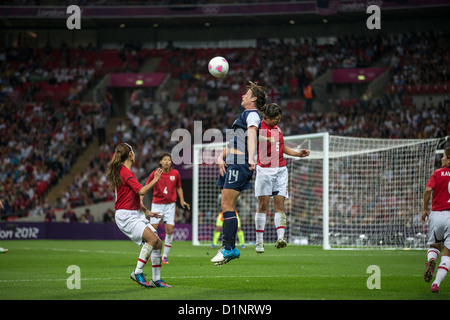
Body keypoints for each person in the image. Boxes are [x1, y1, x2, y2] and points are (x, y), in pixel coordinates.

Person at [211, 81, 267, 266]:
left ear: (254, 99)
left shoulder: (252, 115)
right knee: (226, 205)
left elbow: (252, 134)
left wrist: (251, 157)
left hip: (240, 163)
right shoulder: (244, 115)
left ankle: (229, 248)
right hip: (232, 161)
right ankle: (228, 247)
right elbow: (235, 141)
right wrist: (221, 157)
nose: (243, 96)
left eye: (246, 94)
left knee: (227, 204)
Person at [107, 142, 171, 288]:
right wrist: (155, 179)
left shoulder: (124, 171)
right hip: (126, 216)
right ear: (130, 155)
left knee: (158, 243)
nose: (134, 154)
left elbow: (129, 196)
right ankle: (137, 272)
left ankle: (156, 279)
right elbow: (141, 191)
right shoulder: (126, 172)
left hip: (134, 213)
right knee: (151, 239)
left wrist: (146, 211)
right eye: (133, 152)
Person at [254, 103, 310, 253]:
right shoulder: (259, 128)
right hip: (265, 171)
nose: (278, 121)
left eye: (279, 118)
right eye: (275, 119)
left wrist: (298, 153)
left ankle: (281, 238)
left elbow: (281, 146)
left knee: (280, 205)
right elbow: (250, 136)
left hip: (280, 170)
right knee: (263, 207)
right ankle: (259, 242)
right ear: (266, 118)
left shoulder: (277, 129)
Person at [141, 152, 190, 264]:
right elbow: (146, 187)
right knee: (152, 231)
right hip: (157, 204)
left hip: (170, 205)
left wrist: (181, 200)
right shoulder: (155, 174)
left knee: (170, 230)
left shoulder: (175, 173)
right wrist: (141, 199)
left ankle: (165, 256)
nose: (167, 162)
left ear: (171, 162)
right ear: (160, 162)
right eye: (164, 160)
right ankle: (148, 254)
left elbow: (179, 187)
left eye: (169, 160)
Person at [421, 147, 450, 293]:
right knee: (448, 254)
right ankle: (436, 284)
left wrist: (425, 209)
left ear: (449, 159)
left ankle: (431, 260)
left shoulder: (437, 173)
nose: (442, 159)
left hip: (437, 214)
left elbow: (427, 190)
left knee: (434, 246)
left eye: (444, 157)